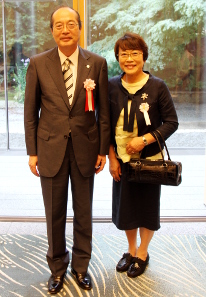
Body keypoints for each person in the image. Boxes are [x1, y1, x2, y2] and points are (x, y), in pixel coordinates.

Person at [24, 6, 110, 294]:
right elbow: (30, 111)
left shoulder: (96, 63)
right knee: (55, 213)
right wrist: (32, 151)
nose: (64, 30)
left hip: (86, 148)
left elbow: (104, 113)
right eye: (59, 25)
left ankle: (81, 266)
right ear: (51, 30)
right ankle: (58, 267)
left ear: (79, 28)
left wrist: (102, 150)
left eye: (70, 24)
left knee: (84, 211)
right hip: (50, 149)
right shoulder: (38, 63)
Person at [108, 33, 178, 278]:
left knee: (147, 207)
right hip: (122, 160)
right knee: (126, 208)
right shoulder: (112, 85)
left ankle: (143, 253)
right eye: (124, 54)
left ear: (144, 57)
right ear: (118, 57)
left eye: (134, 54)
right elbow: (105, 124)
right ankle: (131, 249)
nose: (129, 59)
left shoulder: (157, 86)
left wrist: (145, 139)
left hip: (149, 160)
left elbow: (171, 122)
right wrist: (112, 158)